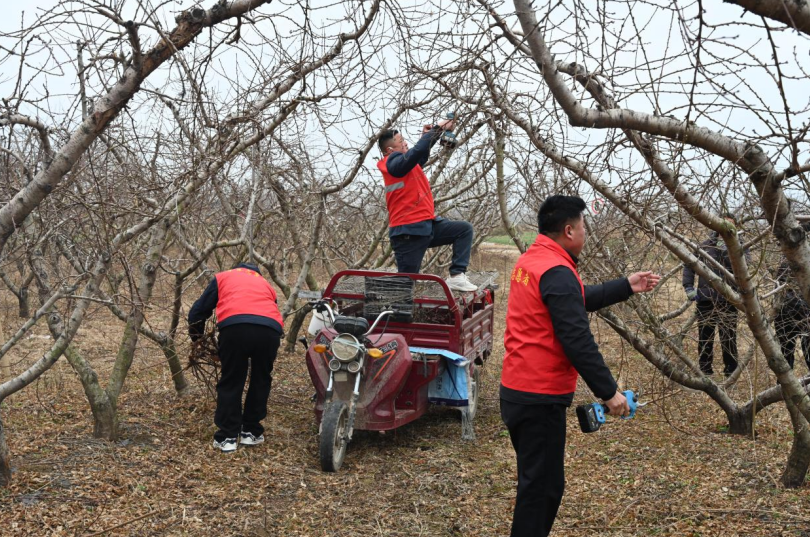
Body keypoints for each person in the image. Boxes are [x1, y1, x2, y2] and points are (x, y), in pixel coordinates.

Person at [500, 195, 660, 537]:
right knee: (541, 491)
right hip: (539, 396)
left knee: (537, 484)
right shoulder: (556, 271)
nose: (586, 233)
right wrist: (609, 392)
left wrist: (626, 286)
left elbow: (573, 298)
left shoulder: (534, 259)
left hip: (518, 390)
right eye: (584, 226)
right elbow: (576, 339)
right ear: (569, 230)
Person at [188, 263, 284, 453]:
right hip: (269, 331)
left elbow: (197, 312)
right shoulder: (265, 284)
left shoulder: (223, 277)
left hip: (235, 328)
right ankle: (251, 432)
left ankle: (227, 437)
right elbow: (271, 308)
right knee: (261, 379)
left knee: (232, 379)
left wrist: (197, 338)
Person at [377, 117, 477, 292]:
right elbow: (415, 152)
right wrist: (438, 128)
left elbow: (420, 153)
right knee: (405, 287)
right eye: (401, 141)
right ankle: (394, 308)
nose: (405, 143)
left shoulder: (406, 164)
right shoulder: (391, 164)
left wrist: (429, 136)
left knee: (464, 230)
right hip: (408, 233)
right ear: (390, 150)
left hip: (425, 226)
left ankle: (456, 276)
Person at [682, 213, 748, 377]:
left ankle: (730, 373)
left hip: (729, 300)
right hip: (706, 299)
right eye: (723, 223)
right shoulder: (704, 246)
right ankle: (705, 372)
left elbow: (745, 266)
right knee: (705, 338)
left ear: (735, 227)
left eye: (730, 224)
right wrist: (688, 287)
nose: (726, 227)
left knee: (729, 339)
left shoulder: (740, 248)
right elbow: (689, 264)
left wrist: (727, 249)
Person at [773, 221, 810, 371]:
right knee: (786, 353)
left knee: (807, 351)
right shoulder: (785, 261)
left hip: (805, 314)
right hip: (786, 313)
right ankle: (785, 383)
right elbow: (779, 288)